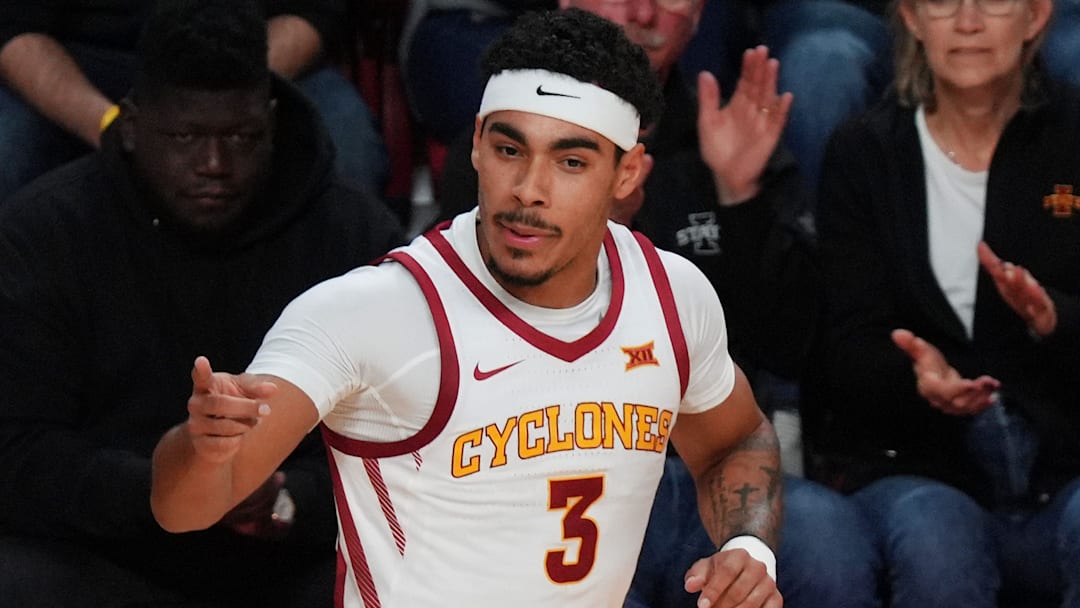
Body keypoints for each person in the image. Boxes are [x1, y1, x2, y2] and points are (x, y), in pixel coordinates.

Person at [150, 8, 784, 607]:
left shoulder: (672, 295)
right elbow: (185, 509)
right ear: (477, 144)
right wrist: (202, 447)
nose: (528, 190)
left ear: (627, 173)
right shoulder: (373, 311)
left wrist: (749, 547)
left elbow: (736, 438)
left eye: (570, 162)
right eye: (510, 150)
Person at [0, 1, 404, 606]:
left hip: (292, 561)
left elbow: (405, 444)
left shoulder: (353, 236)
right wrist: (166, 488)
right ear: (130, 126)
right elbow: (14, 450)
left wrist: (286, 500)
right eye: (185, 138)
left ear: (271, 123)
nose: (214, 165)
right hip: (104, 557)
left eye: (240, 138)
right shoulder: (42, 235)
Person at [805, 0, 1080, 605]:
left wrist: (1056, 319)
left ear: (1036, 16)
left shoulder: (1073, 136)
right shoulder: (865, 151)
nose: (968, 22)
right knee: (934, 541)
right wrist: (918, 378)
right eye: (943, 1)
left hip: (1066, 465)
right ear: (910, 17)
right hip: (919, 464)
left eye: (994, 1)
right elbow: (846, 344)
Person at [0, 0, 388, 205]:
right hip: (85, 67)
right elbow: (14, 30)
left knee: (346, 136)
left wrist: (225, 91)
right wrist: (111, 125)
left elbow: (313, 14)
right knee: (8, 145)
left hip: (248, 60)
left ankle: (344, 317)